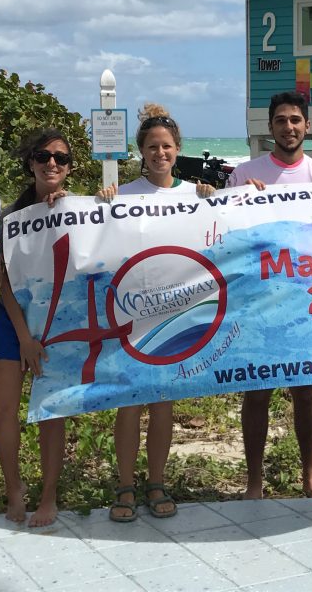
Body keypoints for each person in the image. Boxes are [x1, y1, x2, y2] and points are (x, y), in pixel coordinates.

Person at [98, 103, 215, 522]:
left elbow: (220, 234)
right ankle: (126, 485)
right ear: (140, 151)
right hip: (131, 311)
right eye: (152, 146)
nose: (160, 153)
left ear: (178, 148)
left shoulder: (196, 194)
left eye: (166, 146)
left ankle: (157, 482)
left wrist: (213, 202)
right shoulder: (121, 195)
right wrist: (100, 203)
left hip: (176, 313)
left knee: (164, 401)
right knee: (128, 404)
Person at [227, 90, 312, 500]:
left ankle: (310, 478)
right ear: (270, 126)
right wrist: (239, 201)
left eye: (295, 120)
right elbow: (225, 234)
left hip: (304, 301)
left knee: (305, 390)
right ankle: (254, 483)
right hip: (258, 301)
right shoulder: (243, 175)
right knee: (256, 391)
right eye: (281, 120)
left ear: (307, 126)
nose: (288, 127)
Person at [0, 129, 72, 527]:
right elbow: (4, 283)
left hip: (57, 321)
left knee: (51, 411)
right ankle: (14, 488)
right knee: (2, 410)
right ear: (31, 162)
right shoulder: (10, 215)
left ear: (70, 166)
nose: (51, 163)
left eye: (60, 157)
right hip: (13, 323)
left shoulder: (81, 210)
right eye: (43, 156)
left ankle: (49, 497)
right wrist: (24, 337)